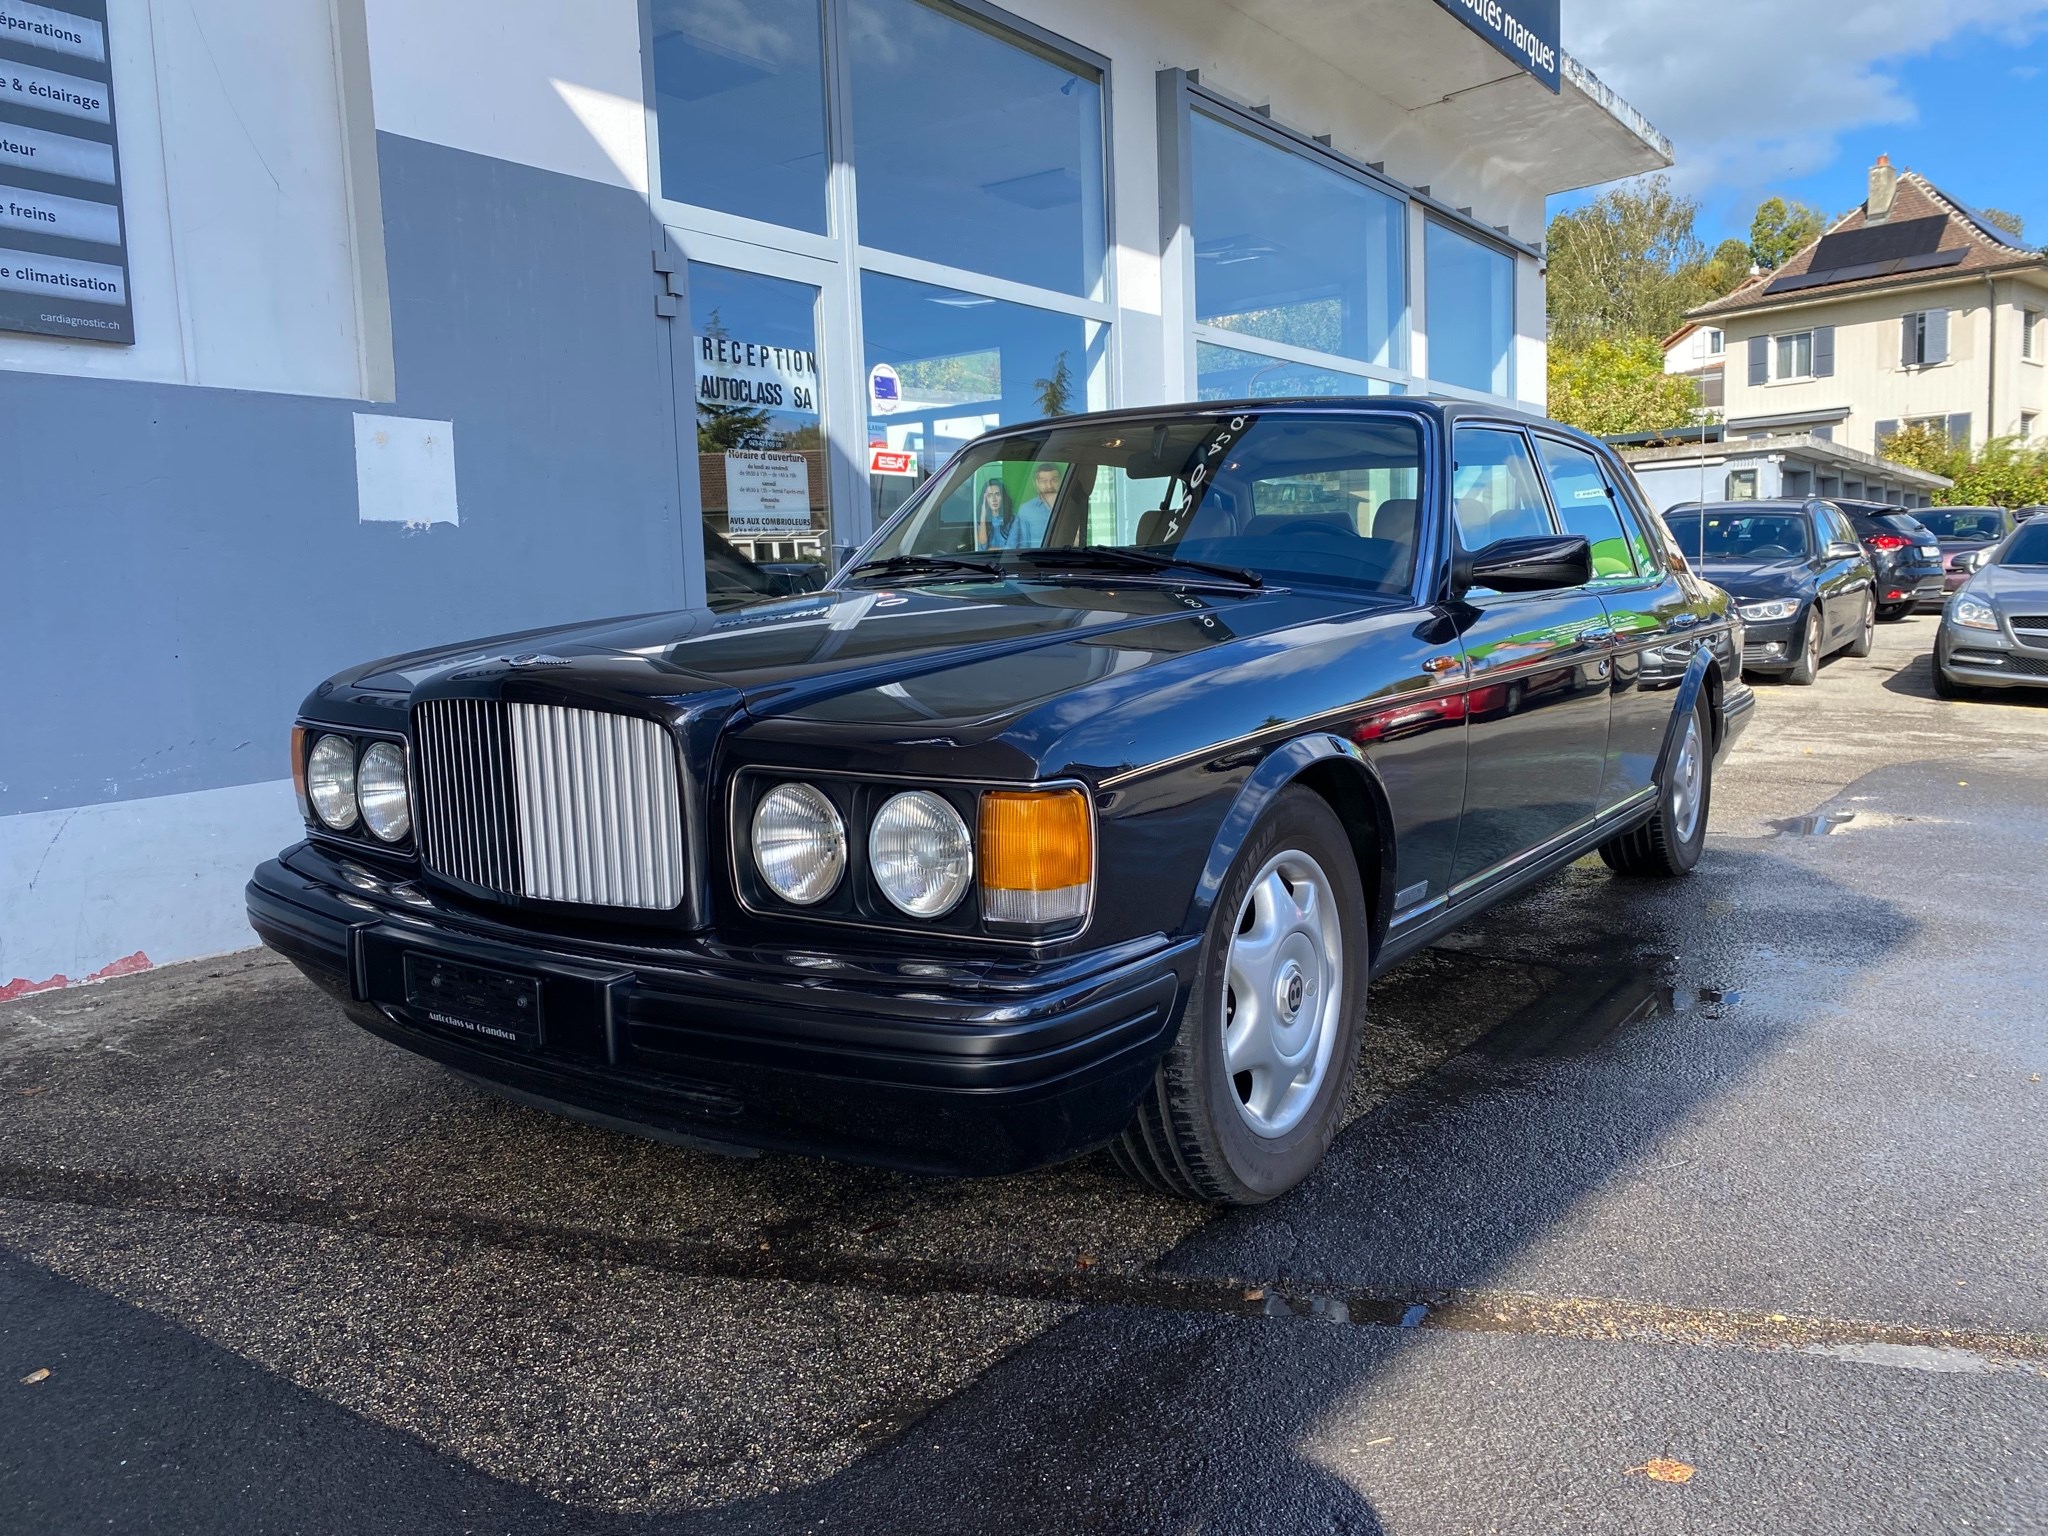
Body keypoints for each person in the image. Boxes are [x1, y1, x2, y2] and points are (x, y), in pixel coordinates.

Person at [989, 463, 1060, 550]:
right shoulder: (1026, 510)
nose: (1049, 486)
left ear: (1060, 481)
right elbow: (1023, 546)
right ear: (1036, 483)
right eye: (1043, 481)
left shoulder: (1071, 507)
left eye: (1054, 480)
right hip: (1038, 560)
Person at [975, 479, 1017, 550]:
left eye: (997, 494)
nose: (994, 499)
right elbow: (982, 548)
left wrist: (991, 550)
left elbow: (1011, 548)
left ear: (1003, 497)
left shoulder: (1013, 519)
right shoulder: (980, 521)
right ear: (985, 499)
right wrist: (983, 516)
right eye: (990, 495)